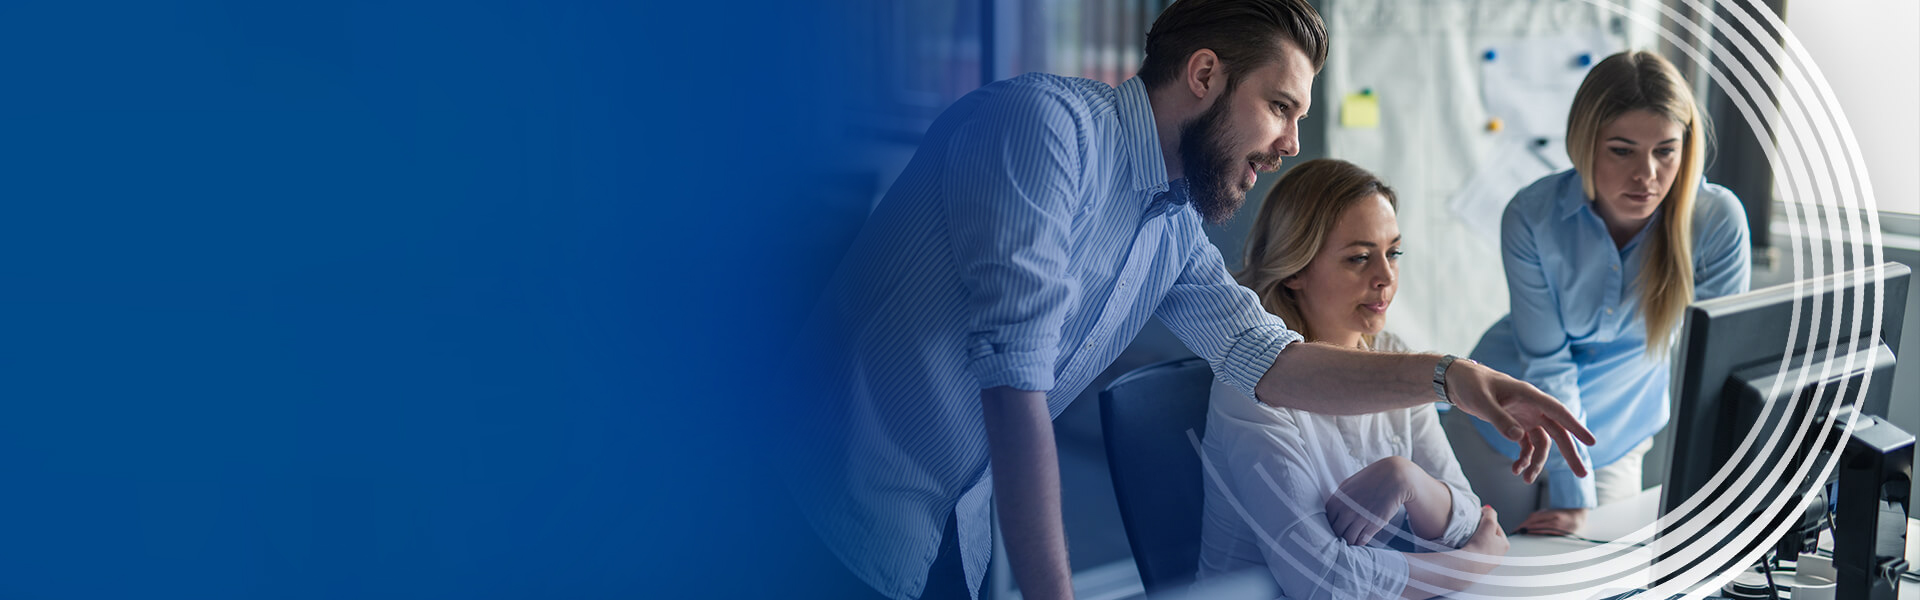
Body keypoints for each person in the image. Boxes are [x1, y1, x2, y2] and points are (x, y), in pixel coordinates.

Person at [782, 2, 1595, 599]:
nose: (1290, 145)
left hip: (942, 534)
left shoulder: (1169, 226)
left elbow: (1275, 365)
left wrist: (1455, 379)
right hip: (808, 509)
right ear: (1205, 75)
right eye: (1280, 107)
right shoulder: (1043, 129)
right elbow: (1014, 387)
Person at [1445, 50, 1751, 535]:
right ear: (1585, 144)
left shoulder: (1715, 222)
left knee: (1602, 568)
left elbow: (1715, 371)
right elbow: (1548, 363)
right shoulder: (1531, 214)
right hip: (1505, 424)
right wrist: (1573, 496)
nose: (1647, 174)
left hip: (1617, 436)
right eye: (1622, 150)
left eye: (1665, 151)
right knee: (1487, 562)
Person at [1197, 159, 1509, 599]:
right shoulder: (1250, 387)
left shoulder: (1394, 356)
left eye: (1393, 253)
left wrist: (1408, 480)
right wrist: (1471, 565)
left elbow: (1467, 524)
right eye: (1360, 258)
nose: (1386, 277)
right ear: (1295, 271)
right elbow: (1323, 583)